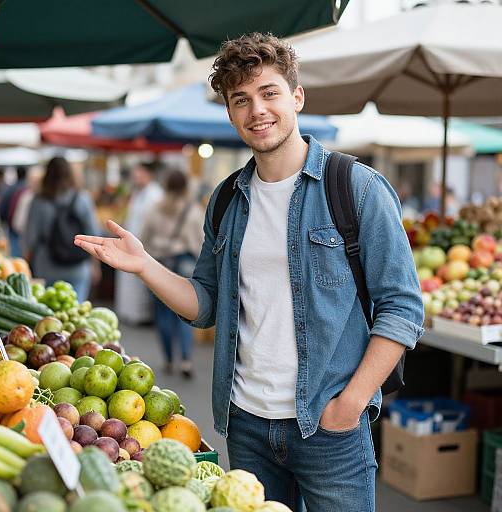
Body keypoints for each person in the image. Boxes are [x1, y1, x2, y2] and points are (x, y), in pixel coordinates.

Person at [75, 33, 424, 511]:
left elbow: (402, 308)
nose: (256, 110)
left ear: (296, 96)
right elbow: (205, 305)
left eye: (269, 93)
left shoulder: (355, 188)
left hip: (329, 428)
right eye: (241, 100)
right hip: (247, 425)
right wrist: (143, 266)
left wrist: (350, 405)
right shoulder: (225, 201)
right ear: (230, 112)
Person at [140, 169, 204, 377]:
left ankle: (168, 359)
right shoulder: (193, 210)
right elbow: (201, 242)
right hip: (184, 262)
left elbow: (144, 239)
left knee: (162, 313)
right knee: (186, 313)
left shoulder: (155, 209)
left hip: (159, 263)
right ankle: (185, 359)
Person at [24, 157, 100, 301]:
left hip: (46, 266)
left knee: (48, 311)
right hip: (78, 266)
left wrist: (27, 264)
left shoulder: (39, 201)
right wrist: (95, 265)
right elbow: (94, 234)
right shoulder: (82, 198)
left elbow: (30, 238)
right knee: (75, 312)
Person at [114, 161, 163, 324]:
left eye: (139, 173)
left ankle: (142, 316)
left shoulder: (155, 194)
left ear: (148, 174)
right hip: (130, 241)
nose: (136, 176)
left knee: (141, 281)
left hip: (144, 244)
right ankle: (130, 314)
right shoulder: (137, 193)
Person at [0, 166, 28, 257]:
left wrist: (4, 220)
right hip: (27, 229)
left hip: (13, 228)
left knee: (15, 254)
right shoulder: (29, 189)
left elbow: (2, 206)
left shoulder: (10, 188)